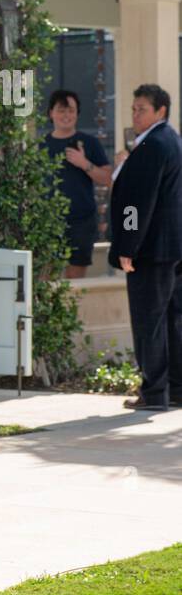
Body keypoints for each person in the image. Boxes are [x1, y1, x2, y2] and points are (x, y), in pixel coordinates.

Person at [109, 84, 182, 411]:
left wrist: (127, 245)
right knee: (171, 320)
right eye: (134, 108)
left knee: (148, 322)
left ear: (160, 111)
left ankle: (153, 394)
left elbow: (135, 205)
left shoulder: (152, 145)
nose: (135, 114)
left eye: (141, 109)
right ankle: (175, 389)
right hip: (172, 249)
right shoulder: (173, 140)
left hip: (151, 251)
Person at [43, 89, 110, 278]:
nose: (67, 115)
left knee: (75, 280)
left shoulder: (89, 143)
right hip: (48, 221)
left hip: (81, 221)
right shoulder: (40, 146)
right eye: (61, 110)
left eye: (71, 110)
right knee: (47, 277)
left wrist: (84, 163)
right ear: (51, 113)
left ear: (77, 113)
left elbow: (108, 178)